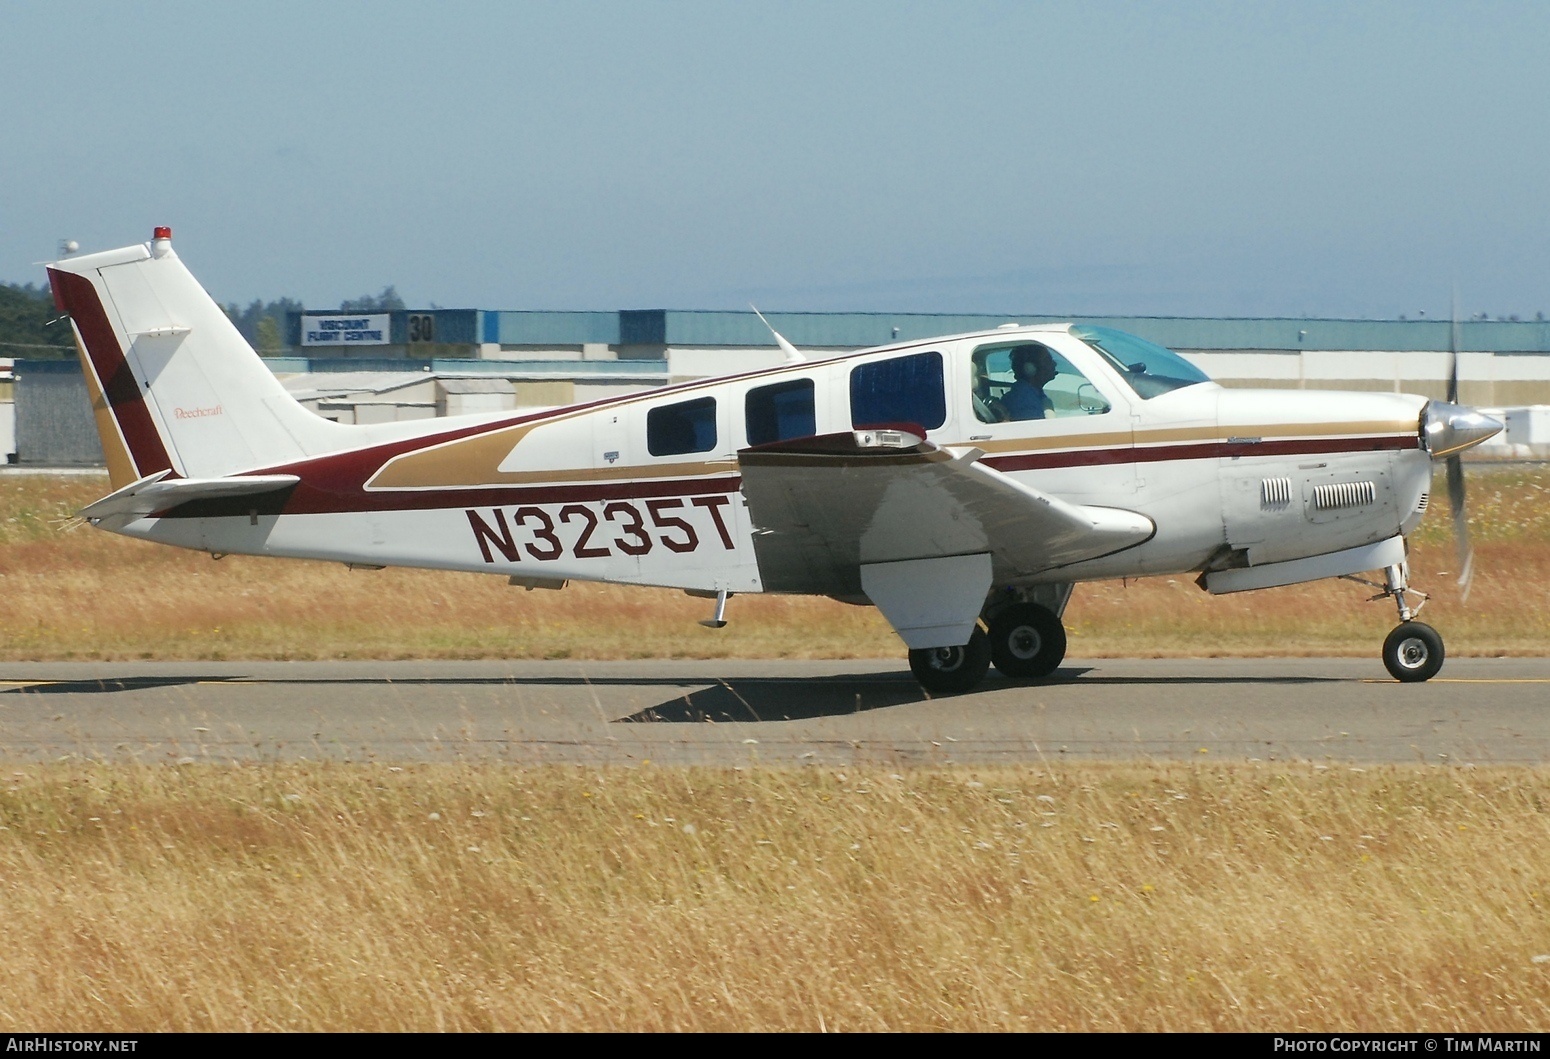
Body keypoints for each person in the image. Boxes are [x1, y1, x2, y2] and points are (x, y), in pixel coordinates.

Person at [1002, 344, 1057, 420]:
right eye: (1047, 361)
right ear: (1030, 368)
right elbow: (1035, 430)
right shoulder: (1024, 401)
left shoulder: (1032, 393)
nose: (1054, 364)